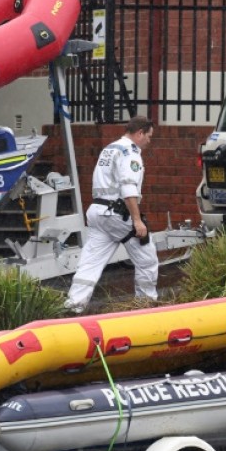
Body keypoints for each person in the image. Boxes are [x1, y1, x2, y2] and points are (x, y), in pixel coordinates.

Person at [64, 116, 159, 314]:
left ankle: (73, 307)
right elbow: (128, 188)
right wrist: (137, 220)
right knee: (147, 259)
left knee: (90, 264)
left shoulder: (110, 148)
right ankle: (146, 306)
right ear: (140, 133)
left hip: (97, 213)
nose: (149, 141)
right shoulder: (130, 153)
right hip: (117, 214)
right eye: (149, 136)